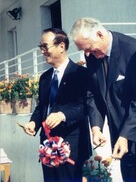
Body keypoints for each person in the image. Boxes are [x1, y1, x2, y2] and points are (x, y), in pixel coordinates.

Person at [70, 18, 136, 181]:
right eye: (84, 51)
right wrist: (96, 127)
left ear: (99, 34)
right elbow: (93, 92)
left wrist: (126, 136)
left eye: (89, 48)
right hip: (120, 139)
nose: (87, 54)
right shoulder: (92, 55)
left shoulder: (133, 50)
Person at [23, 28, 91, 182]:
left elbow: (86, 107)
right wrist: (33, 122)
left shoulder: (80, 74)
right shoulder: (45, 78)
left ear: (61, 46)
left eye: (45, 47)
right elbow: (42, 107)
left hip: (71, 147)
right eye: (40, 47)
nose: (42, 52)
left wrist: (62, 115)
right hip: (47, 147)